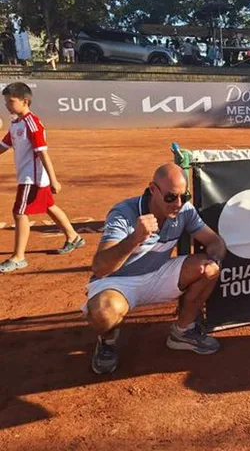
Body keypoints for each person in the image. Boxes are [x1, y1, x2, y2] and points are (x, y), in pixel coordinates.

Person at [84, 163, 227, 375]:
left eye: (183, 197)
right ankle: (107, 341)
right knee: (103, 313)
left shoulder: (184, 210)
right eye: (171, 197)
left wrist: (215, 260)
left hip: (159, 275)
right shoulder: (124, 213)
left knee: (207, 268)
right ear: (153, 189)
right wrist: (135, 238)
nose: (178, 203)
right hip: (119, 281)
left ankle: (183, 331)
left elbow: (215, 242)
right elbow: (100, 267)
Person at [0, 82, 85, 273]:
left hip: (33, 178)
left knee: (20, 213)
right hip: (30, 176)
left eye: (11, 101)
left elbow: (42, 153)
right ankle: (73, 237)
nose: (7, 105)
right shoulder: (15, 124)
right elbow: (3, 147)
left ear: (25, 101)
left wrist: (53, 179)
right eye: (6, 101)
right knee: (49, 206)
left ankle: (19, 257)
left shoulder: (32, 123)